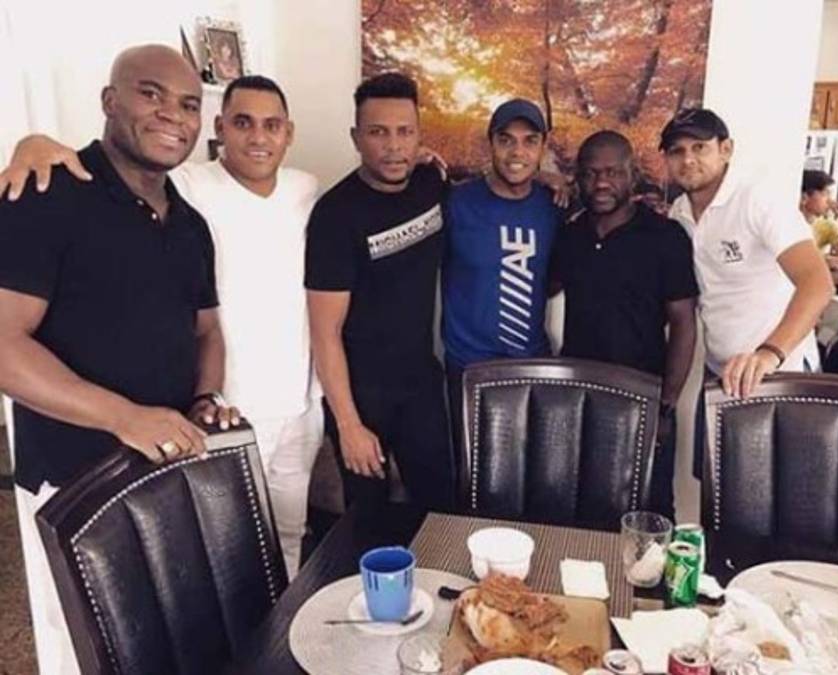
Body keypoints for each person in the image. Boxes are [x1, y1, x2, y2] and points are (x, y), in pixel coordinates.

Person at [0, 75, 324, 578]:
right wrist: (32, 143)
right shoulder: (187, 184)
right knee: (227, 552)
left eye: (272, 125)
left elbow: (207, 326)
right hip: (230, 414)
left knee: (286, 536)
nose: (259, 137)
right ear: (219, 128)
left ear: (289, 133)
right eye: (243, 123)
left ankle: (280, 626)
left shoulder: (306, 189)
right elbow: (116, 161)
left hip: (287, 405)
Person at [0, 45, 238, 675]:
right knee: (90, 646)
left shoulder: (189, 224)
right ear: (110, 101)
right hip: (75, 481)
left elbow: (207, 332)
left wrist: (205, 399)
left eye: (188, 104)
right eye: (150, 94)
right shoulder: (46, 193)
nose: (172, 116)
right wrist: (124, 416)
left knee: (164, 636)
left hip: (163, 468)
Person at [305, 73, 455, 513]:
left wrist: (548, 178)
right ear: (356, 138)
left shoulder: (430, 182)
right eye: (378, 132)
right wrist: (348, 425)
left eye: (405, 132)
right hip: (361, 396)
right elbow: (324, 332)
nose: (393, 146)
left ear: (420, 136)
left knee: (440, 511)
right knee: (367, 519)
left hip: (422, 386)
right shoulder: (335, 216)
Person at [661, 108, 834, 475]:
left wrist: (769, 354)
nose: (688, 159)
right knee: (716, 489)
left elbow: (818, 283)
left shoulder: (758, 198)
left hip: (779, 374)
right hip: (720, 374)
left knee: (781, 491)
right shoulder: (678, 212)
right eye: (677, 150)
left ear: (726, 149)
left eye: (699, 147)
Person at [550, 131, 698, 521]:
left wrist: (666, 404)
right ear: (578, 179)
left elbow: (683, 323)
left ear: (632, 176)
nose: (601, 183)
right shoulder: (569, 236)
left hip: (643, 396)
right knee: (578, 507)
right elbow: (545, 288)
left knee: (651, 513)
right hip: (578, 397)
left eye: (613, 172)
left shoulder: (665, 237)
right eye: (590, 173)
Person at [442, 99, 562, 461]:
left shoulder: (554, 206)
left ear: (543, 147)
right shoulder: (455, 203)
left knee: (531, 473)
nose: (517, 152)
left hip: (531, 365)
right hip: (469, 368)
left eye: (529, 141)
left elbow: (557, 278)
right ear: (491, 143)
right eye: (506, 139)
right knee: (472, 475)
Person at [800, 169, 838, 270]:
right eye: (825, 194)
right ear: (804, 197)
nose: (830, 200)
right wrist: (821, 261)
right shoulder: (786, 224)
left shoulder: (827, 226)